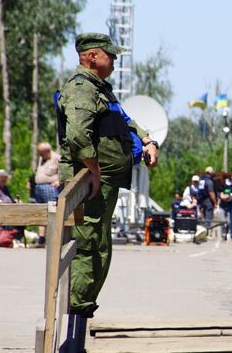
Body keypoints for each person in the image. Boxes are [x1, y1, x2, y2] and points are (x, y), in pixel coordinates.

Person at [56, 33, 159, 324]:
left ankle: (82, 309)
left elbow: (124, 120)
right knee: (88, 245)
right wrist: (95, 169)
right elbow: (77, 136)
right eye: (109, 55)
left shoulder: (101, 90)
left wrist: (148, 140)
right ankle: (75, 313)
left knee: (99, 243)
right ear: (91, 57)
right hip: (88, 183)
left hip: (105, 183)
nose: (114, 60)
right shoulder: (81, 89)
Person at [34, 142, 61, 247]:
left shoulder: (57, 158)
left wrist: (59, 181)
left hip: (50, 188)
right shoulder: (41, 159)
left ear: (47, 150)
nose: (40, 155)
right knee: (40, 212)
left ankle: (53, 239)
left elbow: (64, 172)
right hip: (39, 188)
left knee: (51, 212)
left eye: (41, 153)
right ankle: (41, 239)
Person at [197, 167, 217, 232]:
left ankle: (204, 230)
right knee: (208, 217)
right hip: (208, 201)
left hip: (201, 200)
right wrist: (215, 202)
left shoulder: (201, 180)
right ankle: (206, 231)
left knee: (204, 217)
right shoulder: (209, 181)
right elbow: (211, 193)